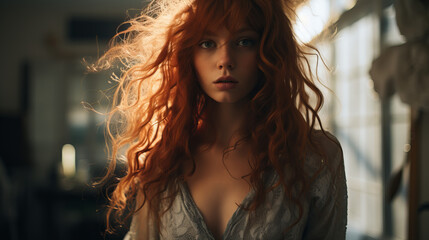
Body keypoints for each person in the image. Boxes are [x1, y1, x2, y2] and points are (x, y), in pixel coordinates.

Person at [96, 0, 347, 239]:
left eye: (244, 41)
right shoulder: (162, 161)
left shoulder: (316, 156)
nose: (225, 60)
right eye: (207, 43)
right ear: (187, 55)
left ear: (268, 49)